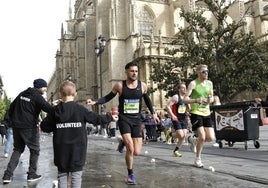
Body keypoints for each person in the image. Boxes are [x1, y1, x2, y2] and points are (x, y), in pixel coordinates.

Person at [86, 62, 159, 185]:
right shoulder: (119, 86)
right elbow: (108, 97)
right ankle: (130, 175)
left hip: (136, 120)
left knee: (137, 152)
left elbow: (147, 99)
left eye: (136, 71)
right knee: (130, 148)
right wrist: (95, 101)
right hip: (124, 118)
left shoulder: (143, 86)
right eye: (132, 71)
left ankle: (122, 142)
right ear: (126, 72)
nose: (134, 73)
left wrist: (154, 112)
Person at [40, 80, 118, 188]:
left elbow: (44, 127)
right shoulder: (80, 110)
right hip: (78, 148)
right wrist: (110, 117)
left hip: (61, 149)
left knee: (62, 174)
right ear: (75, 94)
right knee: (76, 175)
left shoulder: (55, 111)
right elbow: (96, 119)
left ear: (60, 94)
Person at [2, 78, 53, 184]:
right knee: (35, 150)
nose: (45, 89)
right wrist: (57, 107)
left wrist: (6, 122)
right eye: (44, 87)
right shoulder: (37, 97)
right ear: (40, 87)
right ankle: (31, 174)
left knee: (18, 149)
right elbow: (48, 108)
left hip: (16, 126)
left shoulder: (22, 94)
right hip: (29, 127)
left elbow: (11, 107)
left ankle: (7, 175)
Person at [183, 64, 215, 168]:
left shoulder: (210, 83)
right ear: (198, 72)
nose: (206, 73)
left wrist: (211, 99)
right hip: (196, 112)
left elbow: (212, 96)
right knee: (202, 136)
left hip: (206, 112)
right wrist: (195, 100)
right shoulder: (193, 83)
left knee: (210, 138)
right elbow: (184, 99)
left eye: (207, 71)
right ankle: (198, 159)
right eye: (204, 72)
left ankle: (193, 140)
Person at [165, 82, 190, 157]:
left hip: (184, 118)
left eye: (185, 87)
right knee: (181, 135)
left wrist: (188, 112)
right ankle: (170, 135)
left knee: (183, 136)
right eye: (182, 87)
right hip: (176, 118)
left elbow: (188, 109)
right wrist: (172, 115)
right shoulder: (176, 97)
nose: (184, 89)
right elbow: (167, 106)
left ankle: (175, 151)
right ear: (179, 89)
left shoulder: (187, 97)